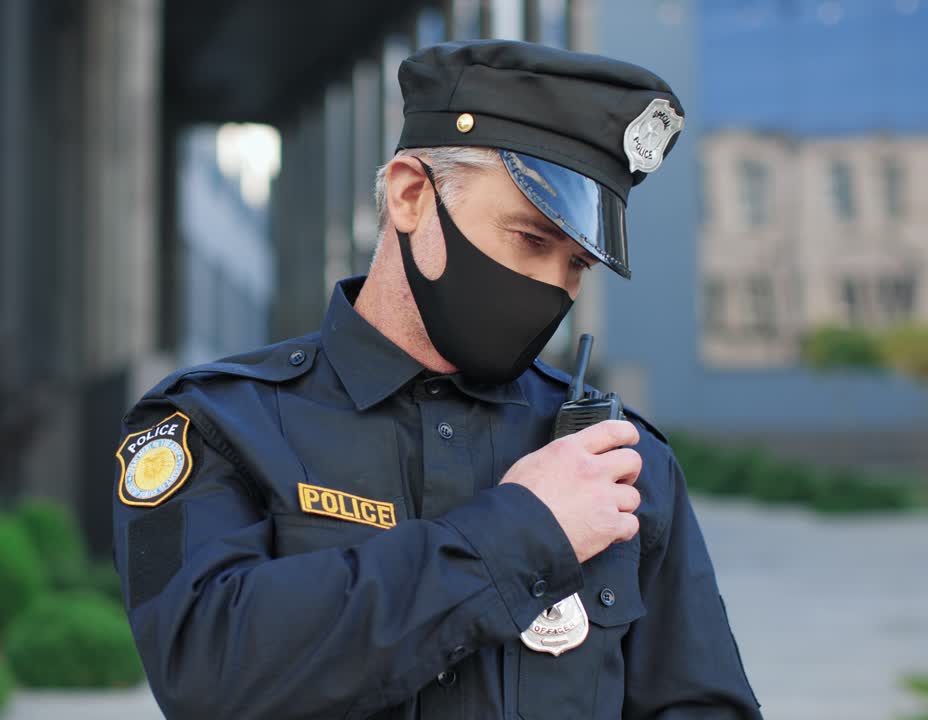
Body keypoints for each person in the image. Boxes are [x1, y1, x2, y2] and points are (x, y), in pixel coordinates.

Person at [112, 40, 762, 719]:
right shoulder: (217, 426)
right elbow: (209, 673)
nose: (551, 285)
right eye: (531, 239)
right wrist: (523, 531)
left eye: (577, 265)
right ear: (411, 194)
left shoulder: (619, 461)